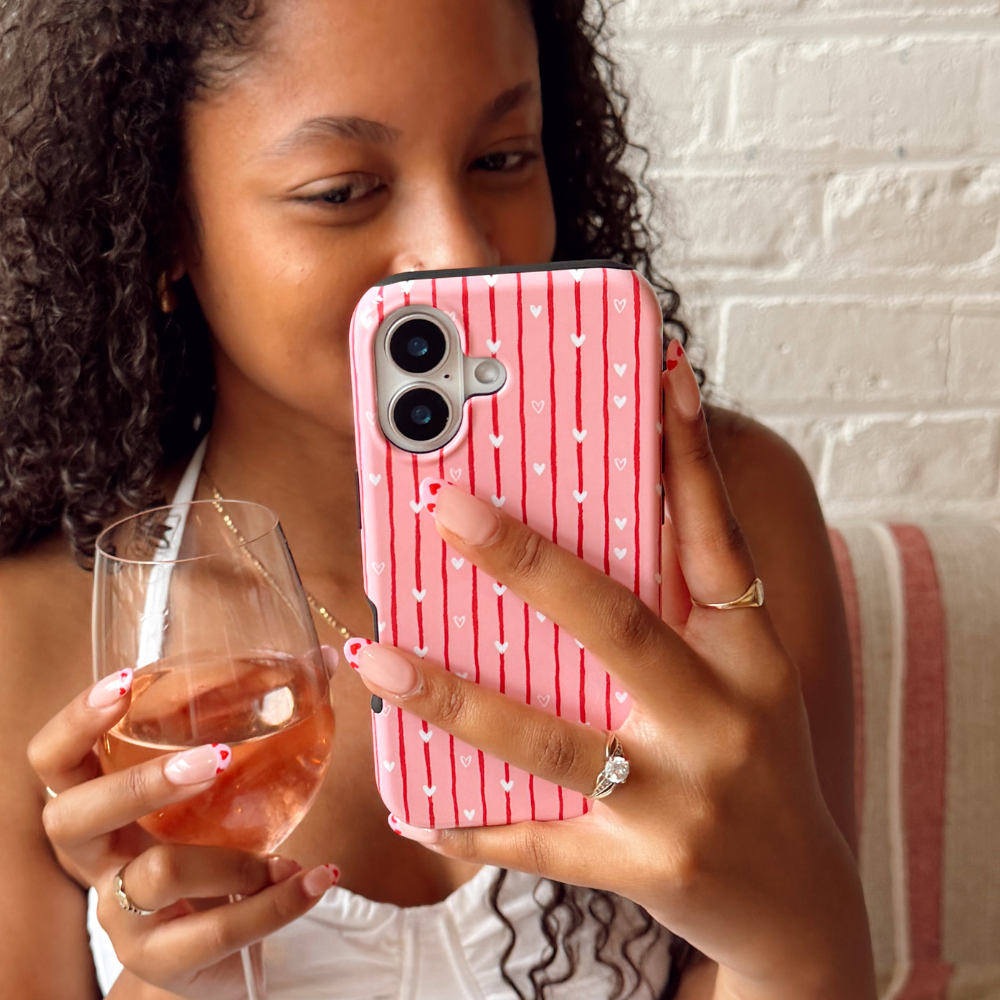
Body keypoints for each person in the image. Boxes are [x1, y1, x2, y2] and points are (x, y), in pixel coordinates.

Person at [0, 1, 876, 997]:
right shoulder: (38, 631)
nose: (458, 249)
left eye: (502, 159)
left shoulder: (732, 521)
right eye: (342, 191)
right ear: (161, 229)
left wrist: (790, 924)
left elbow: (811, 958)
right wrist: (167, 980)